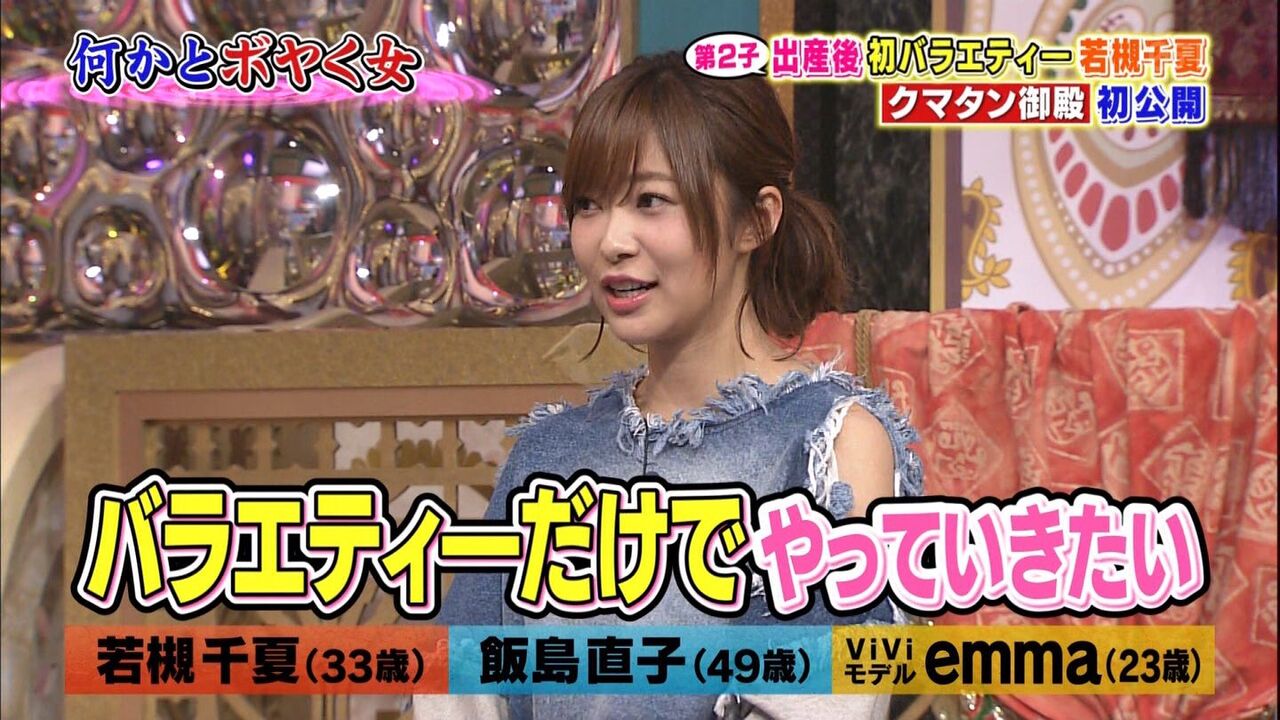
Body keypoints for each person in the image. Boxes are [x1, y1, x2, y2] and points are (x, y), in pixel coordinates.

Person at [415, 51, 924, 719]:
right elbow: (459, 693)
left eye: (650, 200)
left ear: (756, 219)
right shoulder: (549, 455)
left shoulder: (827, 444)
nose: (611, 241)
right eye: (589, 205)